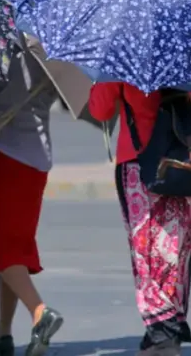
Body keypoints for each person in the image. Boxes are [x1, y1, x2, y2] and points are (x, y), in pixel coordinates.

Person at [0, 38, 63, 356]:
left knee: (2, 248)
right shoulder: (50, 49)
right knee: (15, 246)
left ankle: (40, 312)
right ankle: (3, 333)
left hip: (1, 154)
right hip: (37, 157)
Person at [88, 83, 191, 356]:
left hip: (138, 161)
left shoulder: (128, 54)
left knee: (145, 249)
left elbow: (100, 110)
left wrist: (102, 80)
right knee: (175, 247)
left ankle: (162, 329)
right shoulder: (183, 54)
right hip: (181, 160)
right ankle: (171, 322)